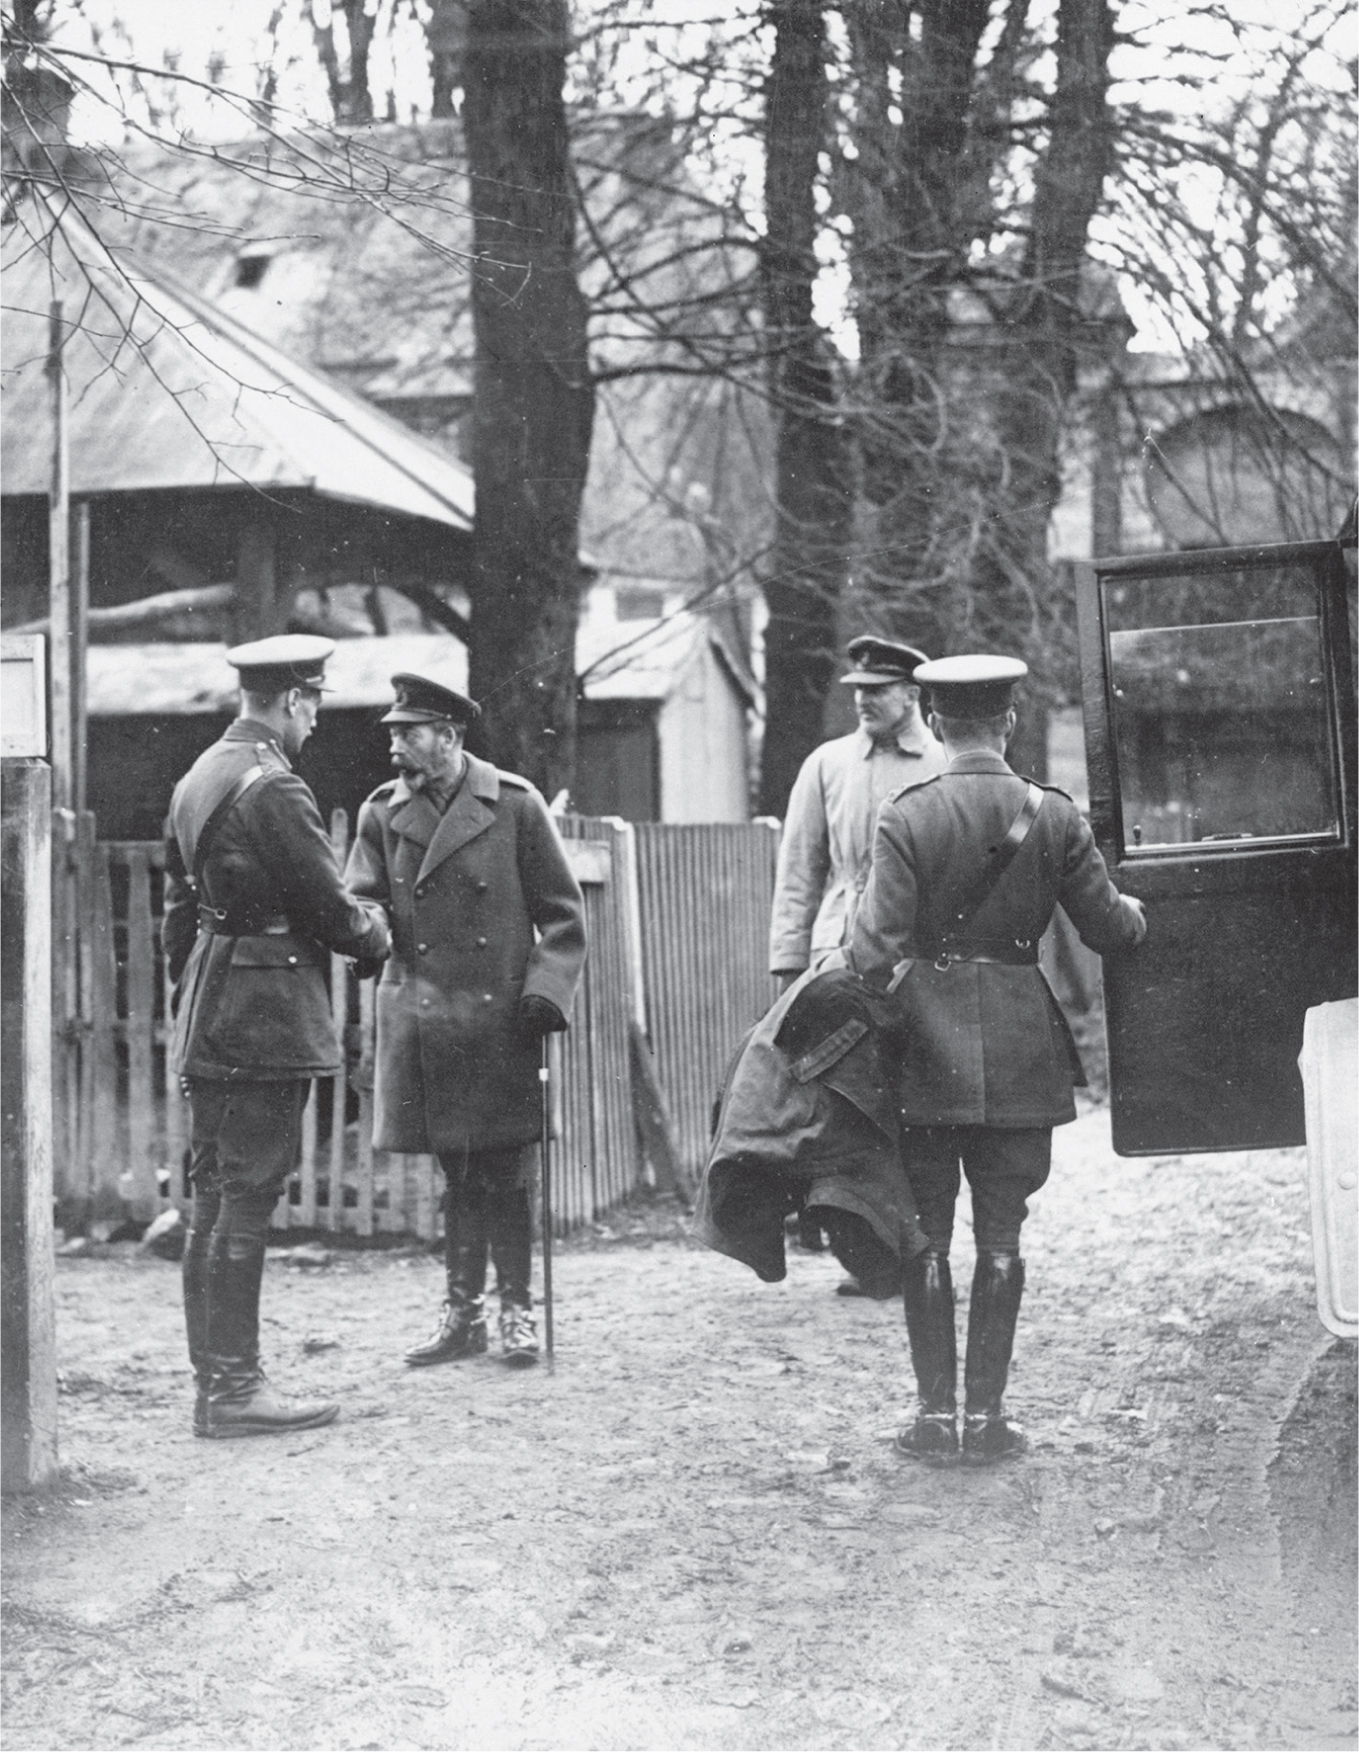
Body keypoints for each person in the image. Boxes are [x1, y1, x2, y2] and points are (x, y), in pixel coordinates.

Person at [848, 654, 1147, 1466]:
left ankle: (932, 1420)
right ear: (1009, 722)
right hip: (1021, 1049)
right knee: (1003, 1236)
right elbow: (1108, 930)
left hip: (923, 1054)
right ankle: (986, 1421)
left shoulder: (906, 815)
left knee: (927, 1237)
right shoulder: (1051, 816)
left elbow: (870, 951)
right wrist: (1139, 914)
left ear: (938, 723)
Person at [163, 635, 391, 1440]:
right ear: (293, 699)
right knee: (247, 1198)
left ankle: (214, 1385)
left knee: (212, 1196)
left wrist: (188, 992)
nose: (317, 720)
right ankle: (233, 1391)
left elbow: (177, 910)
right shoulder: (274, 787)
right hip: (262, 1014)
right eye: (316, 703)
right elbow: (330, 908)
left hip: (211, 1003)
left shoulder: (200, 776)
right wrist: (376, 936)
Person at [344, 674, 586, 1368]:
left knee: (506, 1171)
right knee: (457, 1174)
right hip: (429, 1017)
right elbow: (364, 903)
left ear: (448, 738)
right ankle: (463, 1315)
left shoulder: (513, 803)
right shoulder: (381, 813)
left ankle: (515, 1312)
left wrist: (548, 990)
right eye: (391, 732)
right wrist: (365, 936)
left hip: (503, 1018)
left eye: (407, 732)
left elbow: (563, 916)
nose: (393, 745)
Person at [768, 634, 947, 1276]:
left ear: (913, 694)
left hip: (918, 961)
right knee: (842, 1105)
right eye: (858, 692)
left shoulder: (944, 763)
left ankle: (924, 1250)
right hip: (836, 957)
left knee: (918, 1105)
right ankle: (866, 1256)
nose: (864, 701)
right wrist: (790, 964)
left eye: (878, 691)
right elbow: (799, 873)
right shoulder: (826, 765)